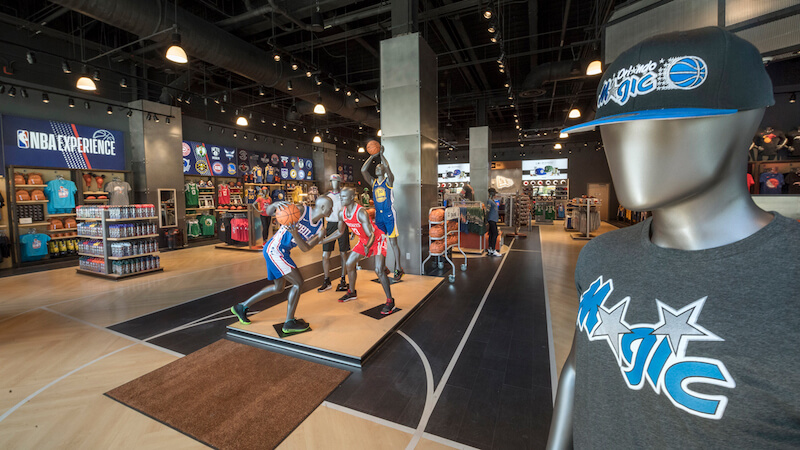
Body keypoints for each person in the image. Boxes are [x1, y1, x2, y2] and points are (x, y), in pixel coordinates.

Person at [548, 27, 800, 449]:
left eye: (666, 125)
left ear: (745, 121)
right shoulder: (600, 256)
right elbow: (578, 369)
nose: (630, 148)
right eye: (615, 130)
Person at [230, 196, 333, 334]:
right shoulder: (300, 210)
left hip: (281, 252)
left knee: (278, 288)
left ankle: (241, 307)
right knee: (298, 283)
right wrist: (276, 204)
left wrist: (302, 235)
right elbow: (269, 211)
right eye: (330, 207)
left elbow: (305, 248)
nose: (332, 209)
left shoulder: (320, 227)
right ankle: (289, 322)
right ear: (322, 207)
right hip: (276, 250)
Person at [319, 188, 396, 314]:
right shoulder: (341, 213)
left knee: (378, 270)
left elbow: (371, 235)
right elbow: (339, 232)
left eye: (343, 197)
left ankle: (390, 301)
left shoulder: (361, 213)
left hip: (376, 239)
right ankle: (352, 292)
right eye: (341, 196)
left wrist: (367, 247)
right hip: (364, 241)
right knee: (349, 263)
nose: (341, 199)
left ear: (351, 198)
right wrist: (323, 241)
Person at [361, 145, 404, 280]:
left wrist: (381, 155)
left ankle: (398, 268)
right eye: (376, 167)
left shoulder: (389, 180)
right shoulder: (373, 182)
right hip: (379, 216)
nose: (378, 167)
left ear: (384, 170)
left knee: (393, 243)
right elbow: (363, 170)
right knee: (380, 243)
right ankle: (384, 267)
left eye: (380, 167)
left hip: (389, 214)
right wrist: (372, 156)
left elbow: (388, 167)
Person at [318, 174, 350, 292]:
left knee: (343, 253)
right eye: (333, 181)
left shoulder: (344, 195)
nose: (335, 183)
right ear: (330, 182)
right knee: (325, 254)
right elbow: (321, 212)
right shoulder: (326, 196)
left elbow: (349, 210)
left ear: (340, 182)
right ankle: (327, 280)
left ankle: (343, 279)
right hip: (330, 224)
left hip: (343, 224)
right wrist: (322, 227)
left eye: (337, 181)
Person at [486, 188, 500, 256]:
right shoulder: (489, 201)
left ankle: (490, 249)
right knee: (495, 234)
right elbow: (488, 210)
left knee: (491, 234)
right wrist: (486, 220)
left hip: (493, 219)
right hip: (491, 220)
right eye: (494, 193)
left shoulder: (492, 200)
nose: (495, 195)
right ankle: (493, 249)